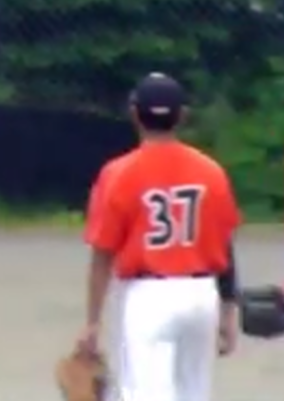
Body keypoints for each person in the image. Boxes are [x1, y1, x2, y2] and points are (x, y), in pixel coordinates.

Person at [77, 73, 242, 401]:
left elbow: (103, 254)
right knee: (193, 393)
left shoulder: (119, 173)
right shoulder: (211, 171)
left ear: (135, 113)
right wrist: (227, 309)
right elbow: (224, 244)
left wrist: (93, 323)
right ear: (182, 116)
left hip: (149, 297)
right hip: (201, 295)